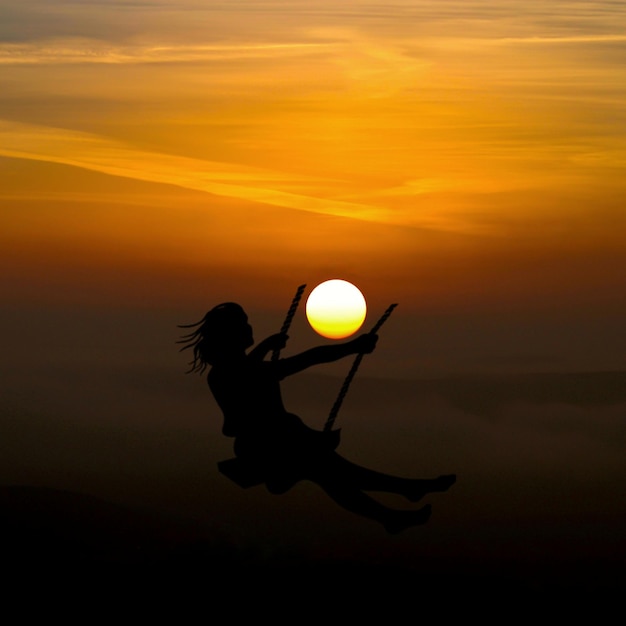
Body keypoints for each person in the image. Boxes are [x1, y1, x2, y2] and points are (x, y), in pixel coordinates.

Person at [179, 302, 455, 533]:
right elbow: (251, 375)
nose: (249, 328)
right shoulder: (225, 375)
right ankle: (404, 495)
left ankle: (396, 509)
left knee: (333, 474)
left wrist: (352, 347)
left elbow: (306, 358)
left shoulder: (253, 370)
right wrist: (266, 345)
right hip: (263, 449)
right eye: (243, 324)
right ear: (230, 335)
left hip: (282, 443)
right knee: (334, 471)